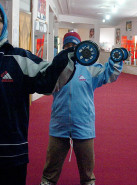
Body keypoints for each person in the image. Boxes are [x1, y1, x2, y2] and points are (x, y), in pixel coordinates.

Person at [0, 4, 76, 185]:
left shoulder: (18, 58)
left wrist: (71, 54)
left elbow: (49, 79)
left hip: (10, 152)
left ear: (4, 25)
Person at [40, 32, 123, 185]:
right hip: (59, 123)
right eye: (67, 46)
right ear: (63, 48)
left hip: (83, 124)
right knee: (50, 169)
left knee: (87, 171)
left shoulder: (90, 69)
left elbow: (109, 74)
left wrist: (116, 59)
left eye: (74, 46)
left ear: (80, 48)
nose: (70, 49)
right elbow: (44, 87)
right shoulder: (55, 69)